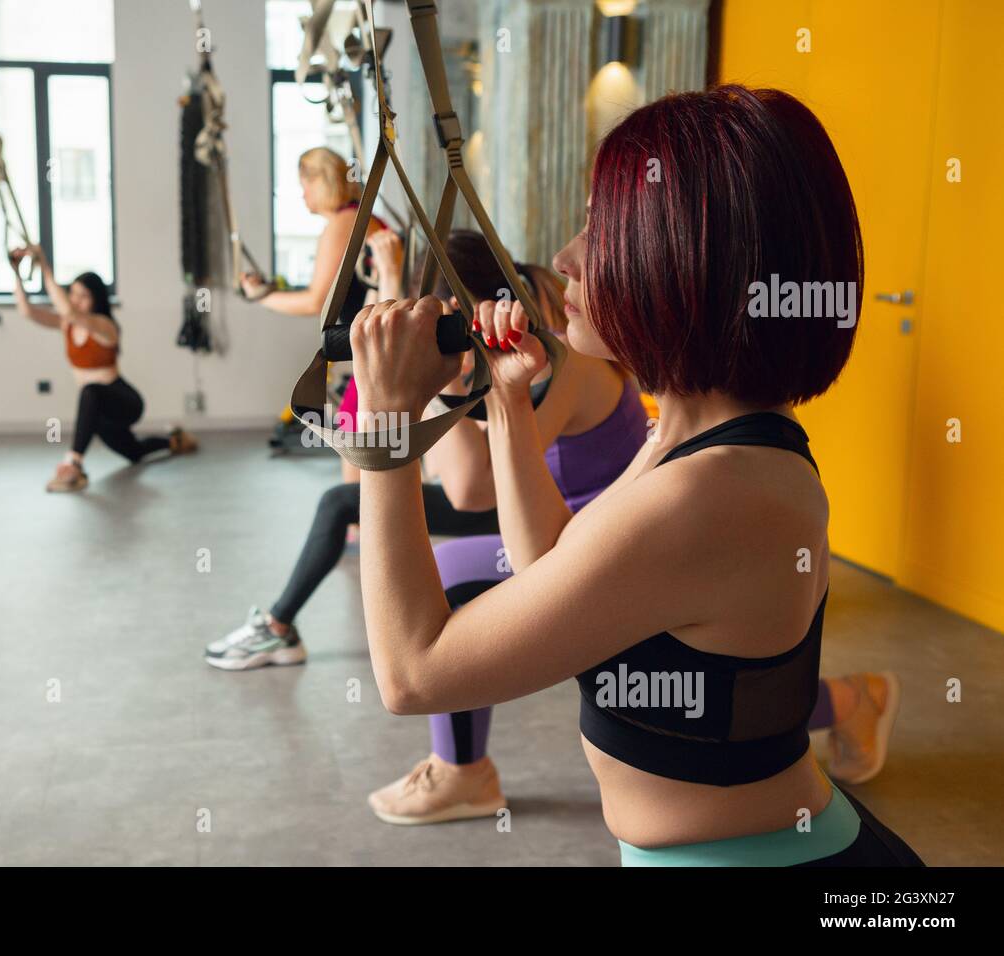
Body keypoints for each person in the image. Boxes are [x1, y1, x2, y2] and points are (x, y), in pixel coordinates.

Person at [350, 86, 922, 864]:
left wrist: (384, 427)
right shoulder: (688, 435)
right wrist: (511, 399)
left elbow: (414, 675)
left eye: (602, 228)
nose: (566, 258)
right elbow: (550, 566)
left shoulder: (711, 491)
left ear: (689, 259)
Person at [204, 231, 644, 671]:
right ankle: (279, 627)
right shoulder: (518, 352)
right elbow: (436, 468)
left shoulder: (559, 360)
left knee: (449, 572)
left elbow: (469, 492)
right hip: (538, 513)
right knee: (343, 501)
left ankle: (282, 632)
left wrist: (439, 375)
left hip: (574, 531)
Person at [246, 146, 388, 481]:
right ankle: (359, 527)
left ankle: (357, 528)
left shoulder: (344, 222)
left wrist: (259, 298)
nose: (302, 195)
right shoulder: (359, 216)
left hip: (376, 352)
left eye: (304, 186)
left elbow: (315, 302)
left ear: (321, 182)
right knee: (363, 443)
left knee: (356, 446)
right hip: (374, 349)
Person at [10, 245, 197, 493]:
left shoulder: (104, 326)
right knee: (135, 453)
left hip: (125, 402)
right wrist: (16, 272)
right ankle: (175, 440)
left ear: (96, 299)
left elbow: (68, 310)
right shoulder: (66, 323)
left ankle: (74, 463)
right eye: (73, 293)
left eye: (83, 296)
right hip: (99, 413)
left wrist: (44, 264)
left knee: (91, 391)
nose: (75, 300)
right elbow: (26, 311)